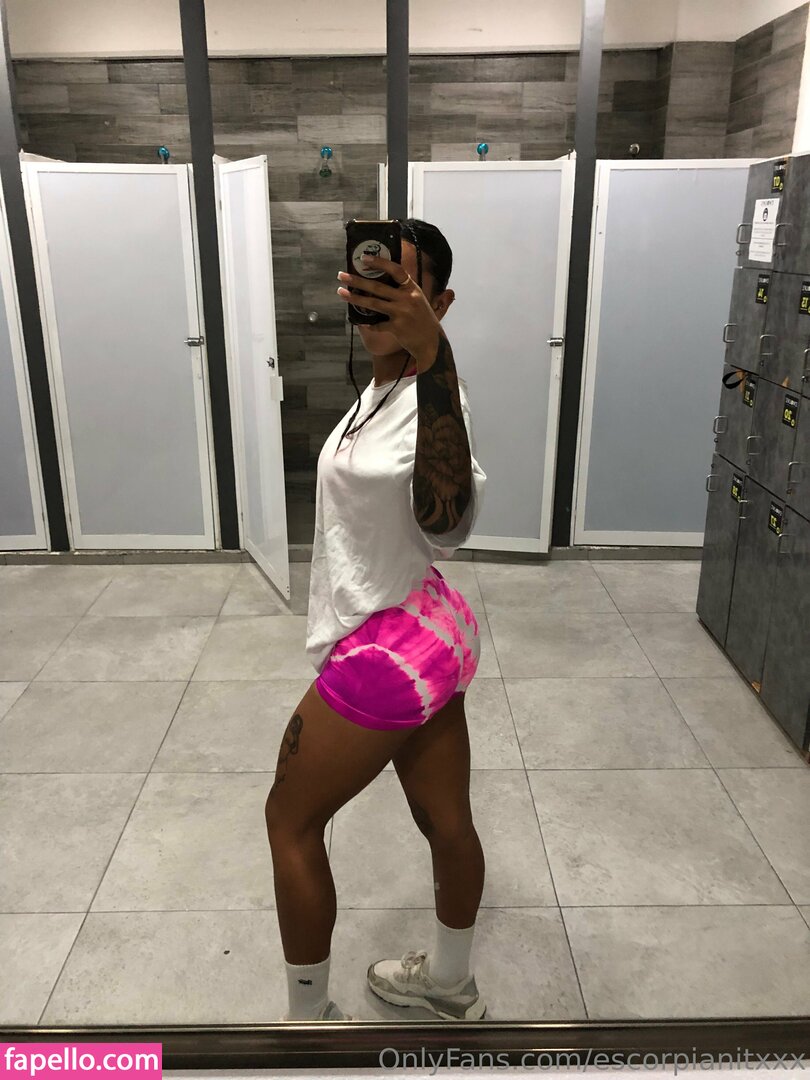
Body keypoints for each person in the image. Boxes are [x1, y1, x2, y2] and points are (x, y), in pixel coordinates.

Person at [265, 219, 488, 1022]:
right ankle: (451, 986)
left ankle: (307, 1025)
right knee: (444, 818)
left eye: (399, 286)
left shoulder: (433, 396)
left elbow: (447, 521)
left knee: (290, 821)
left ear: (439, 303)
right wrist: (414, 356)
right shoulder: (383, 387)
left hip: (385, 649)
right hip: (425, 626)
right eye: (366, 284)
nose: (375, 302)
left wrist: (436, 357)